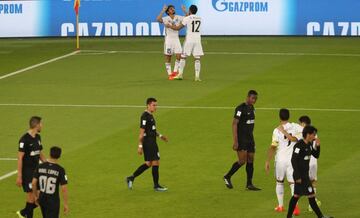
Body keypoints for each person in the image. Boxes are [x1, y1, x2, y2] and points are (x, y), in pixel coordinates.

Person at [286, 126, 333, 218]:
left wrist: (318, 146)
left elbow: (316, 155)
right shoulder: (299, 146)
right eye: (313, 134)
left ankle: (320, 216)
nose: (314, 136)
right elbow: (293, 160)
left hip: (305, 176)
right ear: (308, 134)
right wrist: (298, 176)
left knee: (303, 196)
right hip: (299, 176)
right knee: (303, 196)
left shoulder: (309, 144)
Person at [126, 98, 169, 191]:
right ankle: (156, 185)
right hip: (148, 142)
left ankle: (131, 178)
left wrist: (161, 136)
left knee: (148, 163)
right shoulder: (144, 116)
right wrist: (140, 146)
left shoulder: (150, 115)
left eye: (156, 105)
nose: (156, 107)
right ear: (148, 105)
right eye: (154, 105)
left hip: (152, 141)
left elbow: (152, 130)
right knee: (156, 162)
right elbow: (141, 133)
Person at [223, 90, 261, 190]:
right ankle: (227, 176)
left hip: (250, 138)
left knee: (251, 159)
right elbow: (234, 123)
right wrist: (235, 141)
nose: (254, 100)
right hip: (242, 138)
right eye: (253, 98)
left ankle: (249, 184)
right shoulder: (240, 109)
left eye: (255, 99)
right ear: (248, 97)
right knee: (242, 161)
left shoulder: (252, 108)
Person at [265, 109, 300, 215]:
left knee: (279, 182)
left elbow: (273, 147)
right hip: (292, 160)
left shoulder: (276, 130)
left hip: (280, 160)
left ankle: (280, 206)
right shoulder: (295, 127)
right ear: (289, 116)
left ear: (279, 117)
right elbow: (297, 138)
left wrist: (267, 161)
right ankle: (295, 207)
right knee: (293, 183)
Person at [16, 116, 46, 218]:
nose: (42, 126)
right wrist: (19, 176)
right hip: (27, 173)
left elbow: (40, 153)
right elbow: (20, 158)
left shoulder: (38, 137)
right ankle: (25, 214)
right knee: (31, 197)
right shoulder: (24, 140)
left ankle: (23, 213)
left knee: (40, 198)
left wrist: (47, 165)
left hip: (37, 171)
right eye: (41, 124)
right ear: (36, 125)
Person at [166, 5, 204, 81]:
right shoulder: (200, 18)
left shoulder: (187, 18)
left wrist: (170, 26)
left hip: (189, 39)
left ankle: (180, 75)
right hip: (197, 40)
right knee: (197, 58)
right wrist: (185, 11)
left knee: (183, 57)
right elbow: (191, 17)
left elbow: (178, 28)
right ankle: (197, 77)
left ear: (190, 10)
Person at [32, 146, 69, 218]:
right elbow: (64, 189)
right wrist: (66, 204)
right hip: (53, 201)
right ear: (59, 156)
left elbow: (33, 183)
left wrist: (36, 196)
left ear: (50, 154)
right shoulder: (60, 170)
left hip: (42, 199)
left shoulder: (40, 166)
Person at [294, 115, 322, 212]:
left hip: (305, 163)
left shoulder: (304, 133)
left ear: (303, 123)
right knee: (312, 181)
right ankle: (312, 204)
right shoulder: (314, 134)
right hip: (313, 161)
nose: (299, 124)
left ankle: (296, 206)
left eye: (300, 123)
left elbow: (296, 140)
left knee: (299, 188)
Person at [156, 4, 187, 80]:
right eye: (171, 9)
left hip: (176, 39)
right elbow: (158, 19)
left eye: (173, 8)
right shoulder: (166, 18)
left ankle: (175, 72)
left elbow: (187, 17)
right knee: (168, 57)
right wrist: (163, 10)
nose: (173, 9)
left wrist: (184, 10)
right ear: (168, 11)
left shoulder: (178, 17)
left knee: (179, 56)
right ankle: (170, 74)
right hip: (169, 40)